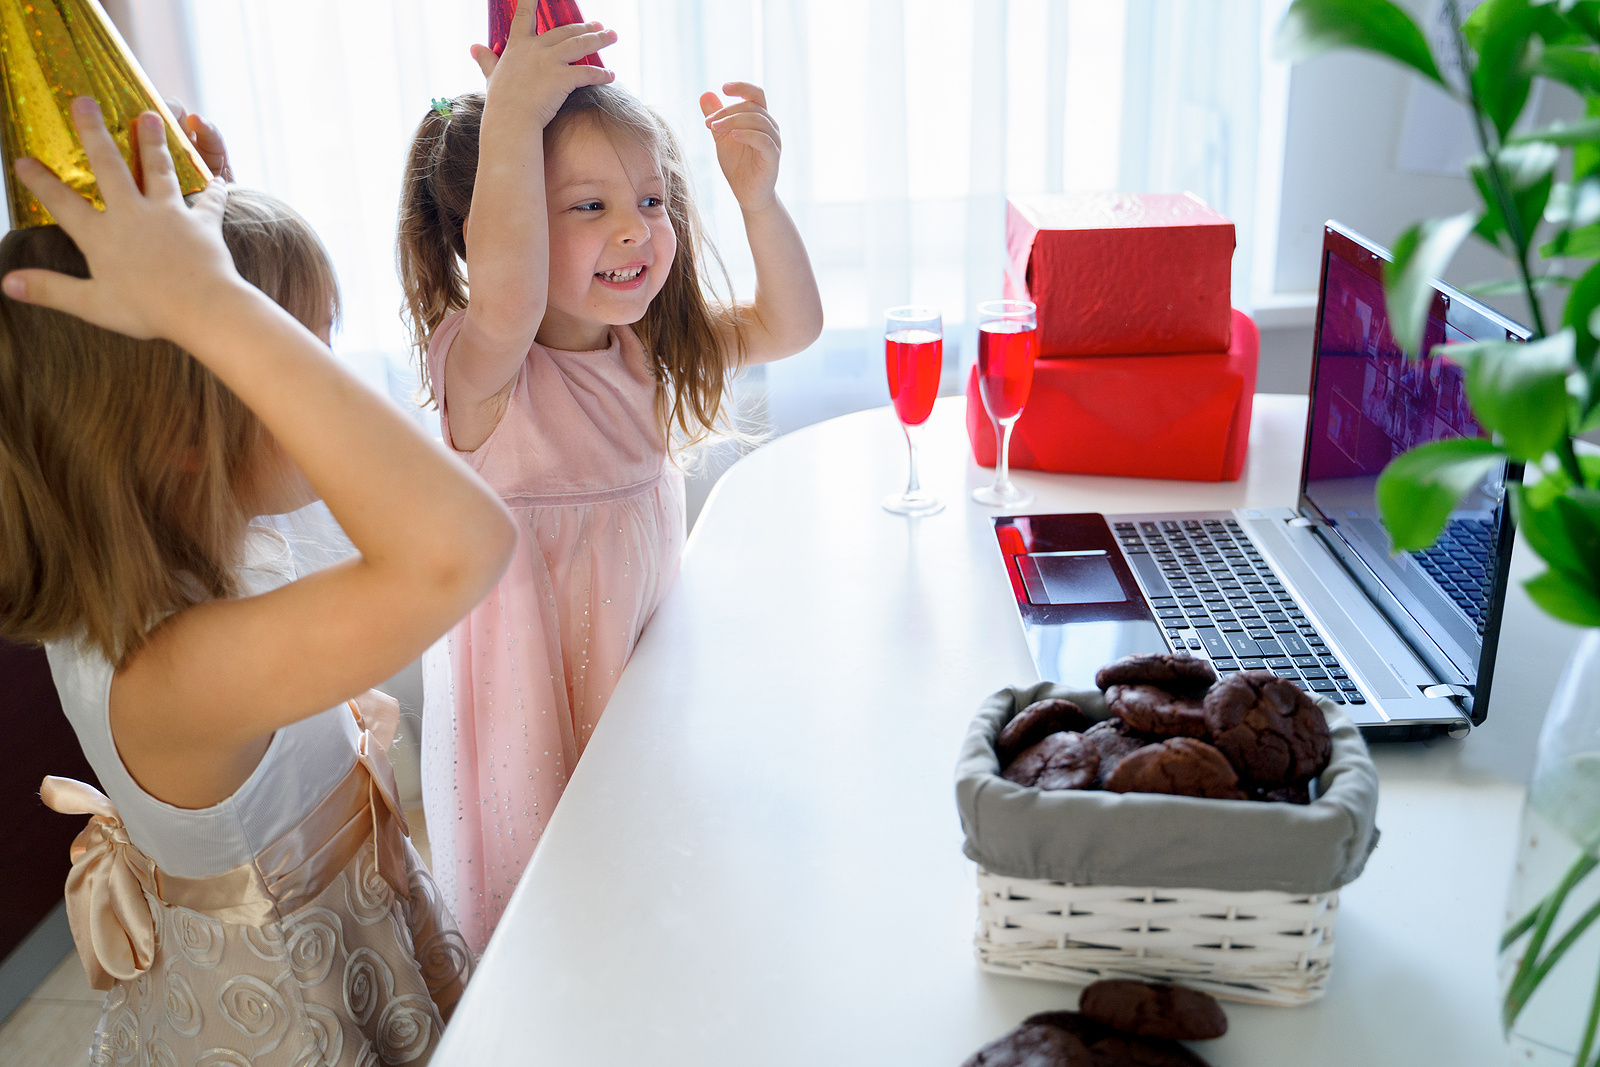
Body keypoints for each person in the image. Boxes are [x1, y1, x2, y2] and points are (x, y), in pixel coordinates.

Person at [0, 98, 516, 1065]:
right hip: (293, 1009)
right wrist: (214, 303)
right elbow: (463, 544)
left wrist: (210, 226)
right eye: (301, 348)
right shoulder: (176, 671)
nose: (321, 376)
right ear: (184, 435)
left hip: (351, 927)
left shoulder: (210, 529)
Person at [397, 13, 822, 950]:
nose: (636, 229)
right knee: (559, 939)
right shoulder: (481, 368)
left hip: (636, 704)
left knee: (648, 915)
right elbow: (509, 293)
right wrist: (511, 117)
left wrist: (757, 199)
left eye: (654, 200)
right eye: (587, 206)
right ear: (493, 226)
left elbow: (790, 326)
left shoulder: (644, 352)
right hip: (534, 734)